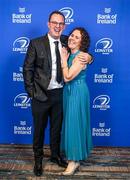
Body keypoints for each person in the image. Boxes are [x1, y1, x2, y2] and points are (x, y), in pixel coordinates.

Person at [23, 10, 92, 177]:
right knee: (39, 130)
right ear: (48, 24)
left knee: (57, 129)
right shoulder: (36, 43)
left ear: (64, 26)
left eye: (61, 23)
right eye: (54, 23)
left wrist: (90, 57)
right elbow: (27, 69)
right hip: (40, 94)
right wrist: (31, 92)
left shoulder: (65, 40)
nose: (57, 26)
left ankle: (55, 156)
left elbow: (81, 50)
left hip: (60, 94)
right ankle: (38, 160)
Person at [60, 27, 93, 175]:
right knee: (71, 124)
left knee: (74, 124)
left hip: (77, 92)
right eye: (72, 35)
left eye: (77, 37)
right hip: (69, 92)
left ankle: (73, 161)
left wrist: (63, 60)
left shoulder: (81, 57)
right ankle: (75, 158)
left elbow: (67, 77)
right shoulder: (69, 51)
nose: (72, 38)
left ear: (82, 42)